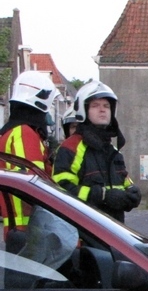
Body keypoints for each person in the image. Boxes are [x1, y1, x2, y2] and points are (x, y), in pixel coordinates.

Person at [53, 81, 141, 223]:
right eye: (95, 105)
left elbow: (124, 181)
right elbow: (61, 189)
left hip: (114, 227)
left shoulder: (113, 151)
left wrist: (132, 192)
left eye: (106, 106)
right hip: (85, 229)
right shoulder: (71, 147)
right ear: (83, 110)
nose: (102, 110)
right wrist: (102, 196)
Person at [1, 71, 58, 242]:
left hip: (20, 230)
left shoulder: (12, 132)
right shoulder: (24, 134)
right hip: (30, 232)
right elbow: (35, 185)